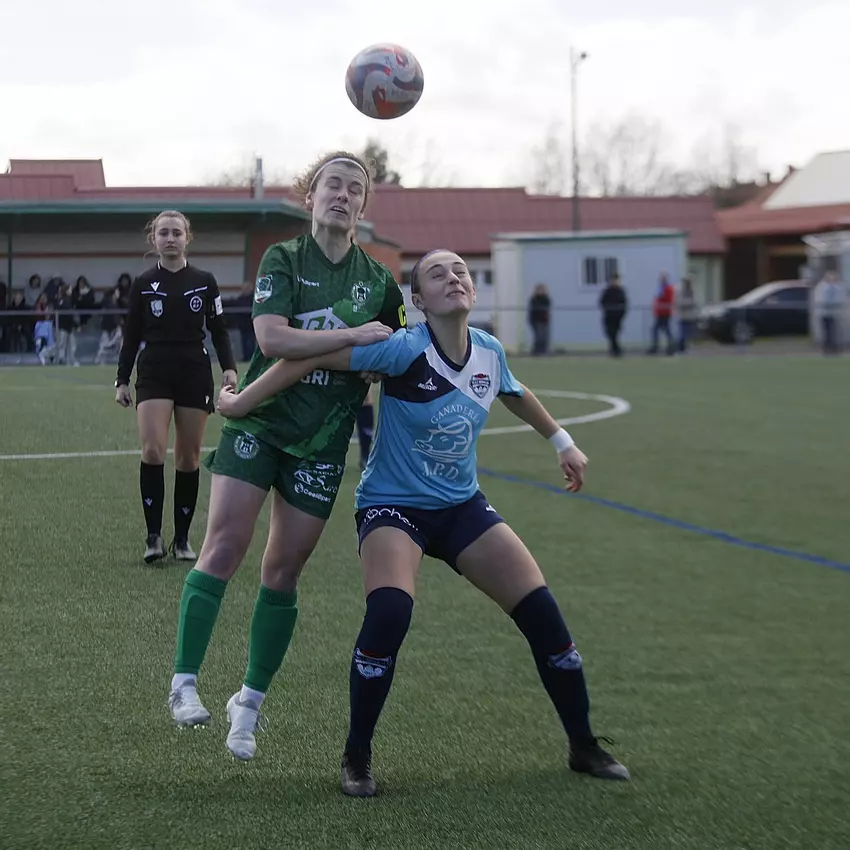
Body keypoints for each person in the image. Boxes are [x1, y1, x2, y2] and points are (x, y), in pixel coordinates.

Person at [218, 248, 631, 795]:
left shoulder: (489, 351)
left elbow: (515, 392)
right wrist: (243, 402)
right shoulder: (404, 348)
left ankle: (583, 745)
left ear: (473, 291)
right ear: (418, 300)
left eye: (461, 271)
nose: (453, 277)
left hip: (461, 507)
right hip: (393, 506)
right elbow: (311, 358)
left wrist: (562, 442)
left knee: (545, 617)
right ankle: (356, 756)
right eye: (437, 274)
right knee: (390, 612)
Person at [166, 152, 405, 763]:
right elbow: (272, 339)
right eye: (333, 185)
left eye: (355, 189)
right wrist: (353, 337)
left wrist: (373, 361)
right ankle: (184, 682)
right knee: (225, 545)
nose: (343, 195)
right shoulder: (283, 258)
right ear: (310, 196)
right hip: (261, 423)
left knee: (282, 572)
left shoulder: (379, 282)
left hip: (323, 440)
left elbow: (398, 351)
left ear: (363, 206)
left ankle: (247, 703)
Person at [114, 210, 238, 564]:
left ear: (187, 238)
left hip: (194, 371)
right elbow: (131, 335)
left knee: (188, 457)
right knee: (153, 450)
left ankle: (182, 540)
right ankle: (154, 537)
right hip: (154, 369)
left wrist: (229, 368)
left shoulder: (204, 281)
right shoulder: (143, 283)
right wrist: (122, 379)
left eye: (176, 233)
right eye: (163, 233)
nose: (170, 238)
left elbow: (219, 329)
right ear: (153, 239)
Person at [599, 274, 627, 357]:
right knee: (610, 333)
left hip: (617, 317)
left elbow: (624, 303)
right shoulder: (607, 291)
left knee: (615, 333)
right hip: (608, 316)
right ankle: (615, 349)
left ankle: (615, 350)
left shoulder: (621, 291)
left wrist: (622, 314)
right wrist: (606, 309)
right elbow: (602, 302)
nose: (614, 282)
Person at [647, 273, 675, 355]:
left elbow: (667, 299)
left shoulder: (668, 288)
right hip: (660, 312)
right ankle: (666, 346)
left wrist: (660, 298)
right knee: (662, 329)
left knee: (663, 329)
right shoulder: (661, 288)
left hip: (665, 312)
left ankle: (669, 346)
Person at [676, 277, 699, 353]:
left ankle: (686, 348)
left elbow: (694, 302)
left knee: (688, 334)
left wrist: (690, 303)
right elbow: (679, 303)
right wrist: (688, 303)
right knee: (682, 334)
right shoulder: (681, 292)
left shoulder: (692, 292)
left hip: (690, 317)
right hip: (683, 317)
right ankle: (680, 348)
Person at [527, 283, 551, 355]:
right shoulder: (534, 299)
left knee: (544, 336)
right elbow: (534, 309)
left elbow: (547, 308)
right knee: (538, 336)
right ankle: (537, 351)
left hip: (544, 321)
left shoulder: (546, 299)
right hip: (536, 320)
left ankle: (543, 350)